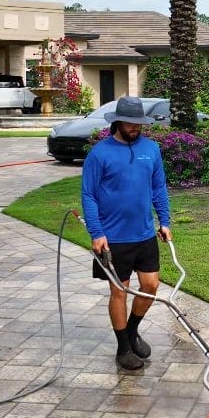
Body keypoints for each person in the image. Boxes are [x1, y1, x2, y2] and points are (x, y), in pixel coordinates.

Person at [81, 96, 172, 371]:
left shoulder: (151, 149)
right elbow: (89, 195)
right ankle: (123, 348)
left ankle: (132, 331)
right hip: (113, 238)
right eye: (131, 124)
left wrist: (164, 221)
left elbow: (159, 188)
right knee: (120, 291)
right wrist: (97, 234)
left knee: (151, 286)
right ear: (118, 123)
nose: (136, 128)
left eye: (139, 124)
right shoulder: (100, 154)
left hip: (144, 233)